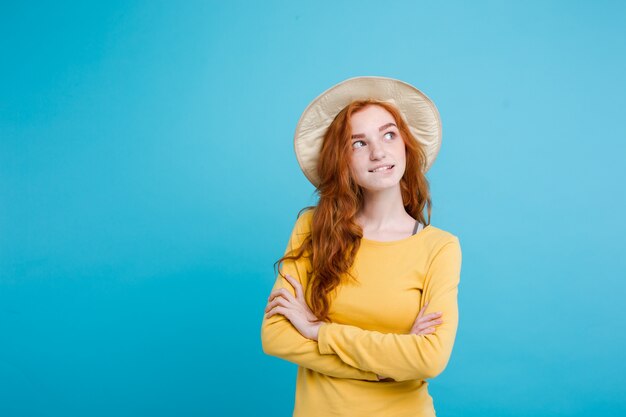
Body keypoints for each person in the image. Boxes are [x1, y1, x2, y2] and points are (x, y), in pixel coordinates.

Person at [260, 76, 462, 417]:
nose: (378, 152)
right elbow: (276, 336)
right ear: (343, 161)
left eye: (388, 134)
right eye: (358, 143)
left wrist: (317, 330)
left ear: (405, 146)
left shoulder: (440, 248)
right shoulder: (313, 228)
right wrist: (385, 368)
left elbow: (429, 357)